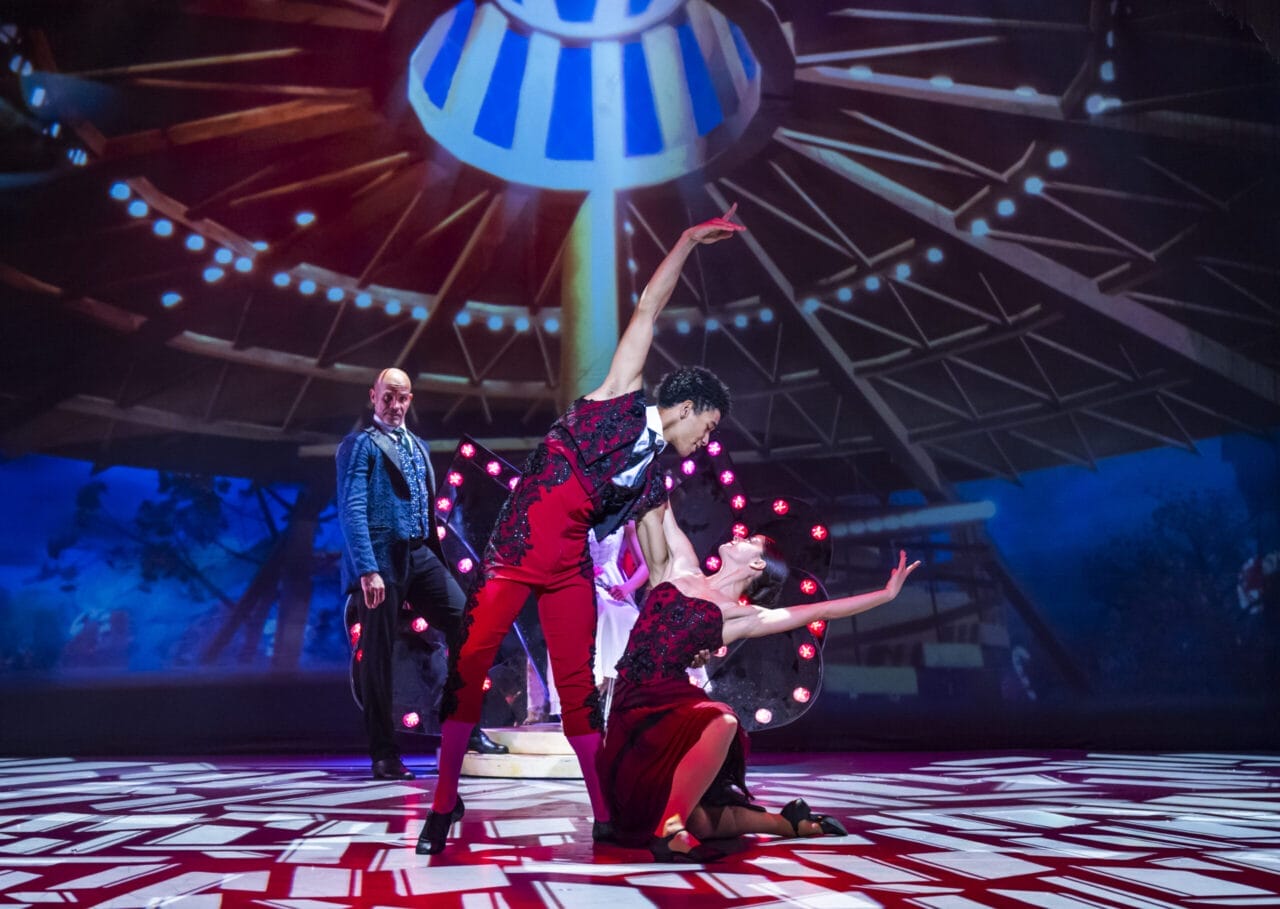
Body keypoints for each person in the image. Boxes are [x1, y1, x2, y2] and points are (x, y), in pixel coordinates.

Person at [419, 208, 744, 855]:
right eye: (707, 425)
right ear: (685, 405)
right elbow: (649, 308)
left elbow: (665, 561)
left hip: (567, 566)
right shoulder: (617, 399)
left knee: (577, 688)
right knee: (473, 660)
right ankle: (442, 799)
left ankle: (604, 812)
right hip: (513, 552)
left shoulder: (654, 478)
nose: (708, 440)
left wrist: (698, 624)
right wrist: (684, 239)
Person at [599, 503, 921, 861]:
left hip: (667, 705)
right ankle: (788, 824)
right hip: (629, 708)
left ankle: (671, 829)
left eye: (751, 540)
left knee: (722, 723)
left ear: (757, 565)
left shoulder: (743, 616)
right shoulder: (683, 565)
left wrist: (886, 595)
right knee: (703, 822)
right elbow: (664, 505)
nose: (739, 535)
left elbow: (821, 611)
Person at [336, 368, 507, 782]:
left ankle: (463, 731)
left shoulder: (418, 446)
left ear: (411, 400)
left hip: (420, 553)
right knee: (377, 655)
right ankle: (384, 754)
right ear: (373, 396)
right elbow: (352, 508)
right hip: (380, 559)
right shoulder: (359, 446)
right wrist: (367, 570)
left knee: (469, 625)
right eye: (388, 398)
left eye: (403, 399)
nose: (395, 406)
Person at [546, 520, 649, 720]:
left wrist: (627, 588)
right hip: (577, 583)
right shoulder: (579, 511)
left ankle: (616, 689)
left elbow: (645, 566)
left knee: (630, 620)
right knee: (593, 614)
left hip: (613, 586)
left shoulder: (626, 520)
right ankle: (587, 692)